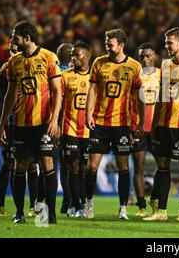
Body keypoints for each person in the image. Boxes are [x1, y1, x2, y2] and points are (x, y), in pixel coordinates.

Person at [0, 20, 62, 224]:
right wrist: (1, 126)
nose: (13, 39)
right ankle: (19, 212)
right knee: (20, 166)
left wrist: (54, 120)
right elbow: (9, 96)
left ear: (27, 38)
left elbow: (58, 91)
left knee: (47, 164)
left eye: (15, 35)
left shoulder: (49, 57)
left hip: (43, 123)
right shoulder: (13, 63)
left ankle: (48, 214)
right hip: (22, 124)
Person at [84, 29, 144, 220]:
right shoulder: (98, 63)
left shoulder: (134, 66)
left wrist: (140, 121)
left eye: (110, 44)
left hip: (122, 124)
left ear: (121, 45)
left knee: (123, 166)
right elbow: (92, 91)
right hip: (99, 122)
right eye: (106, 44)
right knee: (92, 166)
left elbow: (139, 96)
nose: (107, 47)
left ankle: (123, 208)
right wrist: (88, 114)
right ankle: (89, 204)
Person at [143, 27, 179, 221]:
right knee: (162, 165)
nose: (166, 46)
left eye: (170, 42)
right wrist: (153, 126)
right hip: (163, 124)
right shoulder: (165, 66)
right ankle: (161, 211)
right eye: (166, 42)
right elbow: (160, 100)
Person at [0, 39, 38, 218]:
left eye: (14, 51)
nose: (12, 55)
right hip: (10, 123)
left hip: (29, 122)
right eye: (10, 51)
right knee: (9, 164)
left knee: (33, 165)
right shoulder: (6, 68)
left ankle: (33, 206)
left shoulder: (33, 65)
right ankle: (2, 205)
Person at [60, 41, 91, 218]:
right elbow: (58, 102)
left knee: (85, 169)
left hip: (89, 130)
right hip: (69, 128)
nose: (73, 58)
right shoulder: (65, 76)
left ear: (86, 56)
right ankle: (76, 204)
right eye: (72, 54)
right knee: (73, 166)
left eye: (76, 54)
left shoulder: (95, 76)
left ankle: (82, 201)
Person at [130, 43, 160, 217]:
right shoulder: (135, 75)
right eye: (142, 56)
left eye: (148, 55)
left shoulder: (162, 76)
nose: (145, 59)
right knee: (139, 166)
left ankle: (155, 199)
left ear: (154, 56)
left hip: (156, 129)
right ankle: (141, 206)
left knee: (162, 167)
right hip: (139, 127)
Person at [56, 42, 74, 214]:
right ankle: (72, 202)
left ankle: (67, 202)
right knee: (70, 166)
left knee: (62, 166)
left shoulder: (56, 71)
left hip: (62, 122)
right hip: (67, 123)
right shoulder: (65, 74)